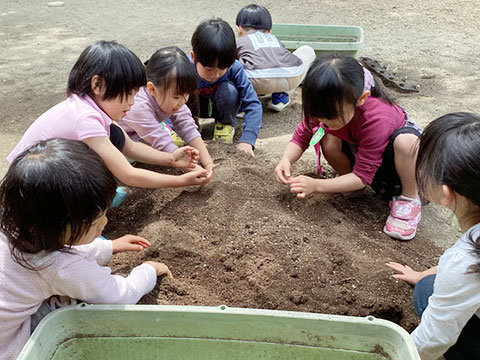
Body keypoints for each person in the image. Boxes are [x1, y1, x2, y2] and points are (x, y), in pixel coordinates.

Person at [0, 139, 173, 360]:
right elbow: (119, 296)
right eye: (93, 222)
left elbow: (62, 249)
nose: (105, 224)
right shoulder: (57, 266)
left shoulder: (16, 224)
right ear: (51, 227)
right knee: (73, 305)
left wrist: (109, 247)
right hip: (13, 350)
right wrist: (148, 270)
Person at [7, 40, 209, 189]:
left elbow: (130, 146)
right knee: (101, 175)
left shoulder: (93, 110)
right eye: (128, 94)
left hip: (38, 177)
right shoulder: (85, 118)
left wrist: (172, 159)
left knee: (114, 145)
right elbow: (128, 174)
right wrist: (181, 181)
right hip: (26, 185)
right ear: (97, 85)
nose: (131, 102)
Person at [274, 55, 422, 240]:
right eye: (319, 116)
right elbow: (303, 135)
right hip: (367, 162)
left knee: (407, 143)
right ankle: (349, 184)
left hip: (403, 171)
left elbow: (363, 176)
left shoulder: (376, 117)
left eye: (331, 116)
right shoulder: (324, 105)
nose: (323, 121)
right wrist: (286, 159)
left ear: (361, 99)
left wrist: (317, 185)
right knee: (328, 137)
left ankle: (409, 200)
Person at [386, 112, 480, 359]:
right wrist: (422, 274)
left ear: (446, 193)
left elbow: (432, 340)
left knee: (427, 294)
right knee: (427, 283)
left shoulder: (465, 260)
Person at [118, 46, 214, 179]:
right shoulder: (137, 106)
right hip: (119, 138)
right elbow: (161, 142)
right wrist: (194, 169)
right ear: (152, 89)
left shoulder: (170, 96)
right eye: (176, 96)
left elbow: (186, 125)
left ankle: (164, 129)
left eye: (186, 93)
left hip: (141, 131)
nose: (183, 100)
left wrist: (208, 162)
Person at [190, 18, 262, 157]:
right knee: (181, 91)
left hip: (223, 106)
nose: (215, 75)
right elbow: (169, 100)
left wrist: (248, 140)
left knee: (228, 90)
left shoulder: (234, 68)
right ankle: (189, 128)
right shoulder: (185, 68)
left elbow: (253, 103)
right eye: (209, 69)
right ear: (194, 57)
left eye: (222, 68)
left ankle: (225, 126)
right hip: (194, 110)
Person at [235, 4, 316, 112]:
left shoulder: (240, 41)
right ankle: (281, 96)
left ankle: (242, 103)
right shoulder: (274, 39)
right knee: (307, 50)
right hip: (290, 78)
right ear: (269, 31)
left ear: (239, 30)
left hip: (257, 82)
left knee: (232, 65)